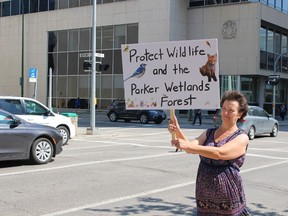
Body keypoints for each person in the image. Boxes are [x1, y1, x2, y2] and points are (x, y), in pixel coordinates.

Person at [168, 91, 250, 215]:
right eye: (223, 108)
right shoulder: (209, 132)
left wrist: (188, 146)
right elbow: (190, 147)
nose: (225, 113)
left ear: (240, 114)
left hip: (227, 196)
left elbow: (220, 153)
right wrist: (177, 130)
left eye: (231, 110)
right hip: (204, 196)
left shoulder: (242, 137)